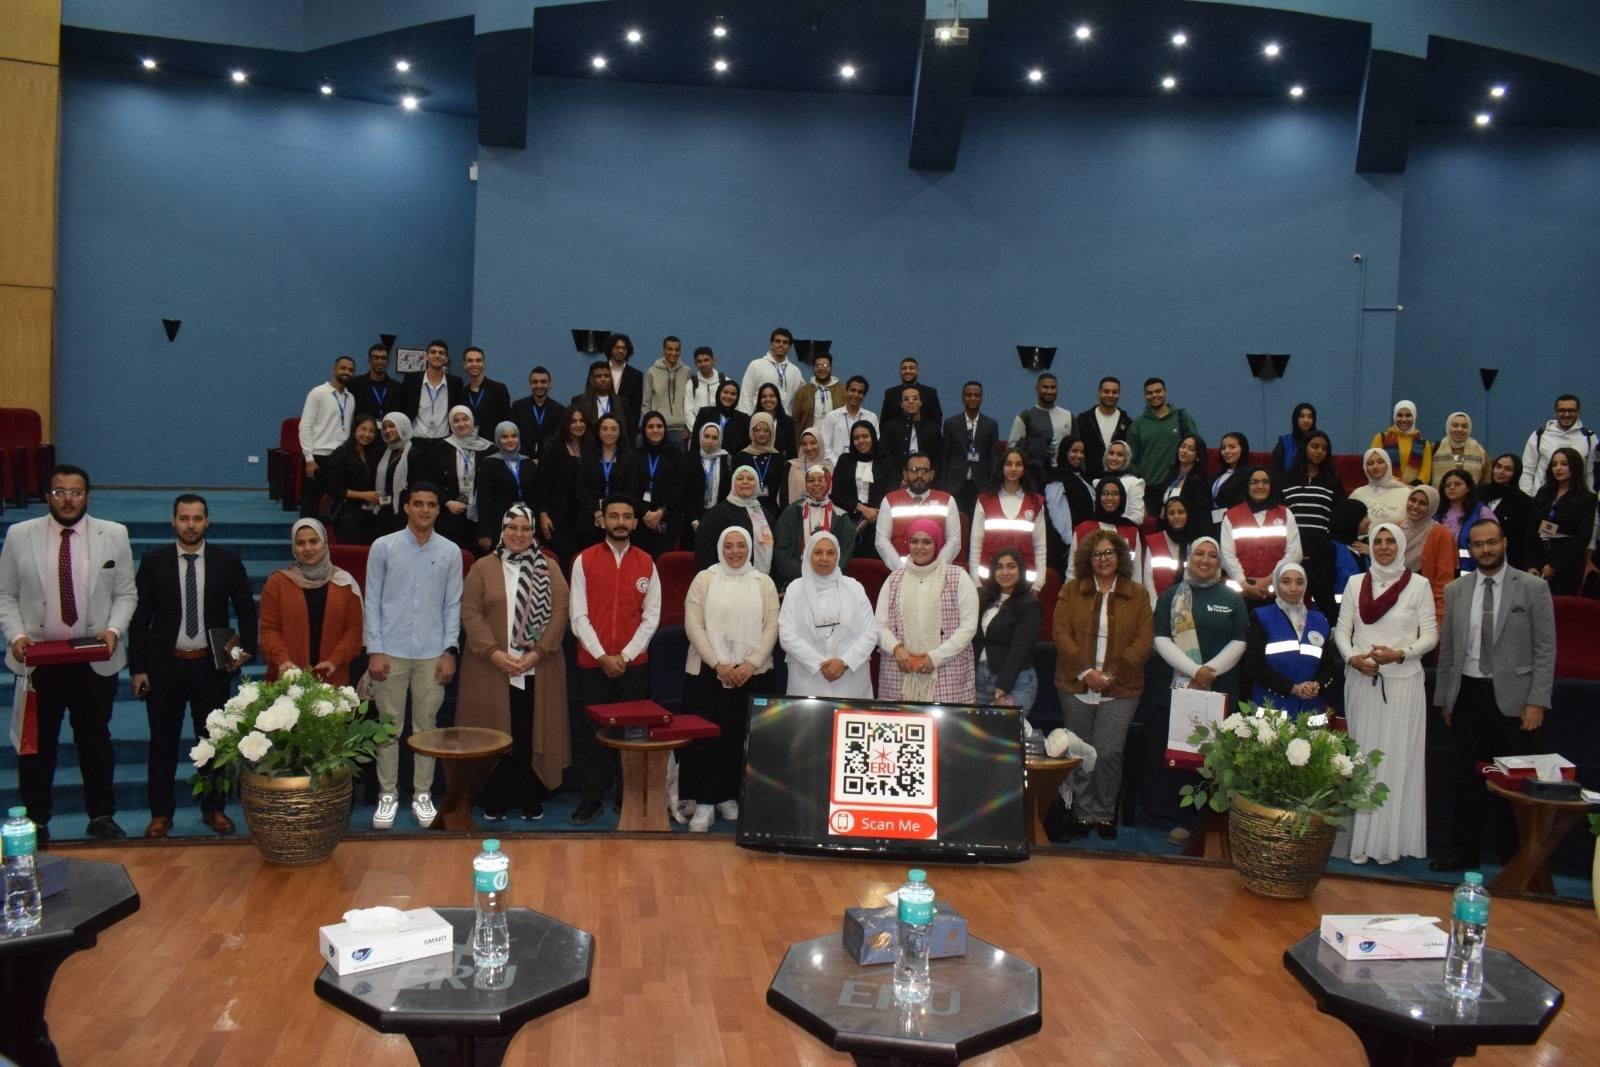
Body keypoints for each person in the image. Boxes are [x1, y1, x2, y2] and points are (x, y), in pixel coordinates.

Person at [0, 465, 137, 842]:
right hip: (37, 661)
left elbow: (126, 593)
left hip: (93, 660)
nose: (68, 499)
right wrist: (16, 635)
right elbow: (5, 594)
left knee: (95, 741)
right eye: (60, 492)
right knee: (35, 747)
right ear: (48, 496)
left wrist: (114, 630)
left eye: (75, 492)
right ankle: (36, 820)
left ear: (87, 496)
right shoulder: (20, 535)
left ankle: (102, 815)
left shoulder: (114, 534)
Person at [127, 493, 257, 838]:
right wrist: (138, 667)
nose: (190, 525)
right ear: (173, 521)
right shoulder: (154, 562)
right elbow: (139, 618)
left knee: (213, 742)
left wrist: (245, 650)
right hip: (164, 667)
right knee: (162, 744)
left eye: (197, 518)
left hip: (210, 667)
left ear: (207, 522)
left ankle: (214, 809)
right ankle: (160, 814)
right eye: (184, 518)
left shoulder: (226, 560)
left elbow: (245, 607)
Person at [1430, 518, 1556, 872]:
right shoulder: (1456, 590)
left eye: (1491, 542)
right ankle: (1464, 851)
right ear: (1470, 548)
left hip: (1515, 701)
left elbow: (1545, 649)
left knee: (1514, 784)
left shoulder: (1532, 588)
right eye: (1478, 544)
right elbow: (1448, 649)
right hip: (1467, 695)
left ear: (1504, 543)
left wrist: (1537, 701)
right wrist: (1445, 698)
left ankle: (1512, 855)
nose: (1485, 549)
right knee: (1466, 781)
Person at [458, 504, 569, 823]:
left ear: (533, 533)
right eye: (512, 528)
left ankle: (530, 797)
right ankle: (495, 797)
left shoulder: (549, 568)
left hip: (538, 666)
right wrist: (493, 653)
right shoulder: (482, 567)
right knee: (494, 731)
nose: (518, 534)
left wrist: (536, 653)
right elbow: (470, 612)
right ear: (502, 530)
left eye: (525, 529)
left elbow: (560, 613)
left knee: (528, 730)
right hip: (491, 667)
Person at [1334, 523, 1438, 865]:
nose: (1382, 547)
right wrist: (1352, 658)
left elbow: (1430, 636)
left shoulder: (1419, 585)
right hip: (1361, 680)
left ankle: (1389, 843)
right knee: (1362, 758)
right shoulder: (1355, 583)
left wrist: (1401, 654)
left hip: (1403, 683)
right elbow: (1342, 629)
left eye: (1390, 541)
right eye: (1377, 541)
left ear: (1401, 545)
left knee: (1394, 759)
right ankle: (1360, 840)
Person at [364, 482, 463, 831]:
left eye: (431, 504)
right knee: (388, 728)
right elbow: (372, 601)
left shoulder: (450, 551)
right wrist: (375, 648)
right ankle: (387, 795)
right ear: (406, 507)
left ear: (437, 510)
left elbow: (453, 605)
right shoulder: (384, 547)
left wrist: (449, 650)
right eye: (418, 504)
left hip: (431, 653)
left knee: (426, 729)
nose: (424, 510)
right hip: (389, 651)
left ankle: (423, 795)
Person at [1054, 529, 1154, 839]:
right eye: (1096, 554)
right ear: (1088, 559)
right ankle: (1083, 812)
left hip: (1121, 688)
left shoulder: (1138, 594)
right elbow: (1060, 633)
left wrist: (1111, 675)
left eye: (1109, 552)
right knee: (1081, 751)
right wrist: (1086, 672)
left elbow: (1143, 640)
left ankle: (1104, 812)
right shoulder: (1072, 590)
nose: (1103, 559)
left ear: (1120, 556)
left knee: (1109, 752)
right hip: (1075, 684)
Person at [568, 496, 661, 823]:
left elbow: (651, 617)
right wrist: (602, 656)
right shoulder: (583, 561)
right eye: (614, 516)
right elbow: (578, 616)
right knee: (592, 736)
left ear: (635, 522)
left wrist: (624, 656)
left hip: (633, 665)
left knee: (632, 734)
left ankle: (628, 797)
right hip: (593, 664)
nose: (620, 522)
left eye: (626, 516)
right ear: (602, 520)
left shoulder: (647, 562)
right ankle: (591, 800)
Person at [681, 527, 779, 831]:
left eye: (740, 546)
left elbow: (771, 626)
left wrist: (751, 663)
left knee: (740, 738)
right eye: (729, 546)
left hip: (753, 673)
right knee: (708, 740)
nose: (735, 551)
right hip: (709, 672)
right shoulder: (704, 579)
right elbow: (694, 625)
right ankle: (705, 803)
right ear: (720, 549)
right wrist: (718, 663)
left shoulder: (763, 582)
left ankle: (727, 797)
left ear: (749, 548)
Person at [875, 519, 978, 702]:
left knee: (944, 721)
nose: (919, 547)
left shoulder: (957, 577)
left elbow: (968, 627)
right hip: (900, 672)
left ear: (937, 544)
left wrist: (935, 657)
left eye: (927, 542)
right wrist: (896, 649)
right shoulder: (894, 579)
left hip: (947, 672)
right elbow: (879, 626)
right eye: (914, 541)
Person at [258, 518, 363, 687]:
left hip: (332, 676)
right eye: (300, 543)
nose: (307, 548)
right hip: (287, 678)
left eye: (314, 541)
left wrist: (335, 660)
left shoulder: (344, 583)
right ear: (294, 547)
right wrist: (282, 660)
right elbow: (269, 629)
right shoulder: (277, 583)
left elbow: (354, 630)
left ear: (325, 543)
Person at [1154, 535, 1248, 716]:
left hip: (1221, 686)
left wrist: (1206, 673)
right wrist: (1194, 671)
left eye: (1212, 556)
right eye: (1199, 553)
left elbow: (1239, 641)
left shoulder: (1233, 598)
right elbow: (1160, 639)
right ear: (1189, 557)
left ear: (1219, 562)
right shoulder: (1169, 596)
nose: (1205, 560)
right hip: (1177, 688)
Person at [779, 531, 878, 698]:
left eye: (830, 553)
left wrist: (844, 663)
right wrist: (820, 664)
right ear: (808, 555)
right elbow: (787, 636)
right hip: (808, 678)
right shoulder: (795, 589)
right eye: (818, 552)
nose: (824, 558)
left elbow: (870, 632)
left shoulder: (854, 587)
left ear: (838, 556)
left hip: (850, 678)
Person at [1241, 560, 1336, 717]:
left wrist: (1317, 684)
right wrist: (1293, 688)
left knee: (1315, 735)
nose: (1293, 588)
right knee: (1271, 735)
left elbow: (1328, 666)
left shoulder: (1320, 620)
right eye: (1286, 582)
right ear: (1277, 584)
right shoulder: (1261, 616)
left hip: (1312, 709)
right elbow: (1253, 665)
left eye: (1299, 582)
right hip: (1272, 707)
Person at [973, 548, 1044, 717]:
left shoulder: (1029, 604)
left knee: (1004, 732)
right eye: (999, 567)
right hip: (980, 678)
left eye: (1011, 566)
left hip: (1015, 681)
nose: (1005, 572)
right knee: (979, 731)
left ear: (1021, 570)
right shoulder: (984, 598)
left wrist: (1002, 688)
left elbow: (1020, 650)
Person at [1220, 467, 1302, 601]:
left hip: (1276, 591)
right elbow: (1226, 556)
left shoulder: (1285, 513)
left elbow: (1295, 553)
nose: (1260, 486)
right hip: (1240, 593)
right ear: (1246, 486)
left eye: (1265, 482)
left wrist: (1268, 580)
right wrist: (1244, 584)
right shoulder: (1231, 516)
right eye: (1254, 482)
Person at [970, 448, 1046, 591]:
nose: (1013, 469)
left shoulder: (1035, 503)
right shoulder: (985, 501)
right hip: (988, 582)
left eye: (1018, 464)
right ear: (1001, 467)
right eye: (1008, 464)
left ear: (1024, 469)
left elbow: (1040, 546)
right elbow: (976, 543)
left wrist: (1039, 583)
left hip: (1025, 584)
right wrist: (976, 581)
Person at [1526, 446, 1597, 594]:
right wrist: (1529, 563)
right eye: (1554, 464)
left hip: (1566, 564)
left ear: (1575, 466)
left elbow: (1582, 538)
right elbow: (1531, 527)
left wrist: (1555, 566)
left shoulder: (1586, 498)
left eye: (1564, 464)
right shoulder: (1544, 492)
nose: (1558, 468)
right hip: (1539, 556)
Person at [773, 464, 856, 591]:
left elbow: (845, 553)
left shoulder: (841, 517)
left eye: (821, 480)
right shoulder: (792, 512)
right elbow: (782, 550)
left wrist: (826, 574)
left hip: (831, 582)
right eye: (811, 480)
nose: (816, 484)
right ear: (806, 484)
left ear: (829, 482)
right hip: (797, 580)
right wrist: (803, 574)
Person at [423, 404, 492, 551]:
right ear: (450, 424)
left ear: (472, 420)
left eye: (465, 419)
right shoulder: (441, 447)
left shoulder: (488, 448)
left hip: (480, 517)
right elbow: (431, 482)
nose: (461, 424)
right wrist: (447, 502)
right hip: (449, 515)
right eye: (456, 420)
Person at [875, 453, 961, 569]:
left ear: (932, 475)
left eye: (925, 471)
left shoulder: (947, 500)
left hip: (937, 572)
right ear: (905, 474)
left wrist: (934, 569)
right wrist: (903, 570)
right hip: (900, 571)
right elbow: (882, 542)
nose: (919, 475)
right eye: (914, 470)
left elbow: (954, 541)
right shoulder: (890, 500)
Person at [297, 355, 357, 519]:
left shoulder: (351, 398)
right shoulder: (318, 393)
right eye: (343, 368)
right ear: (334, 369)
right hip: (319, 457)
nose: (347, 372)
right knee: (311, 504)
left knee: (334, 506)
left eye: (350, 370)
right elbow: (305, 426)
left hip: (341, 458)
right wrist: (309, 459)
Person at [695, 466, 776, 574]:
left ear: (756, 484)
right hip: (725, 577)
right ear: (733, 483)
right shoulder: (716, 514)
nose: (745, 482)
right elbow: (704, 551)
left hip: (761, 578)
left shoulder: (765, 515)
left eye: (750, 479)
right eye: (740, 478)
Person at [1126, 377, 1199, 496]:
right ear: (1145, 396)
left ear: (1165, 392)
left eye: (1158, 391)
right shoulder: (1137, 425)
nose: (1154, 395)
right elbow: (1131, 460)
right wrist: (1138, 485)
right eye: (1149, 393)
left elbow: (1196, 448)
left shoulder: (1182, 418)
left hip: (1178, 487)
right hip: (1148, 489)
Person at [575, 414, 637, 551]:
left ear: (620, 432)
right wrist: (596, 512)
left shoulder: (630, 457)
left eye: (614, 429)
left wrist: (614, 512)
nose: (609, 433)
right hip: (591, 517)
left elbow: (632, 488)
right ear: (598, 432)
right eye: (604, 429)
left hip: (619, 519)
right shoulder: (588, 455)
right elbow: (581, 487)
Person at [938, 381, 1000, 517]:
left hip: (981, 484)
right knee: (956, 521)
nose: (972, 398)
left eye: (976, 395)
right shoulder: (951, 423)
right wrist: (944, 484)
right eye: (969, 395)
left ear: (981, 398)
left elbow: (993, 457)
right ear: (963, 397)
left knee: (977, 521)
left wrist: (992, 484)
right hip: (955, 484)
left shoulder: (991, 425)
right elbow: (945, 456)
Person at [397, 340, 466, 463]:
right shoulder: (411, 380)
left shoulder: (455, 383)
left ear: (446, 359)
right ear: (426, 356)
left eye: (441, 353)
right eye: (433, 352)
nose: (437, 355)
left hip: (444, 442)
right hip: (415, 442)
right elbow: (402, 408)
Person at [629, 412, 687, 557]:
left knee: (662, 563)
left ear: (665, 429)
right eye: (650, 426)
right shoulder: (635, 456)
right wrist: (647, 515)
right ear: (644, 430)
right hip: (641, 521)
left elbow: (680, 489)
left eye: (659, 426)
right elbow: (630, 489)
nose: (655, 430)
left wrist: (661, 512)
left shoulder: (676, 455)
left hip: (667, 522)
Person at [537, 407, 590, 564]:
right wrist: (543, 514)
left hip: (585, 517)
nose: (578, 424)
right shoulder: (552, 446)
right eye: (573, 421)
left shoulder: (592, 446)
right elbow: (542, 482)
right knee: (564, 560)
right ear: (565, 423)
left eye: (581, 420)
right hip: (559, 517)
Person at [321, 413, 383, 546]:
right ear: (354, 429)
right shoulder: (342, 453)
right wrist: (363, 495)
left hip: (369, 513)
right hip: (347, 513)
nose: (367, 434)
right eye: (363, 429)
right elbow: (332, 488)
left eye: (372, 431)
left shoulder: (373, 453)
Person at [476, 422, 537, 554]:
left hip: (525, 522)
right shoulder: (489, 463)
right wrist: (484, 533)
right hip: (498, 523)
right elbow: (483, 500)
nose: (510, 440)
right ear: (498, 440)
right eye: (505, 437)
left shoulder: (528, 463)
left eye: (514, 436)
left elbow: (535, 496)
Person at [1280, 429, 1343, 557]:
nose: (1320, 451)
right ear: (1304, 448)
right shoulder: (1287, 478)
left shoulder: (1332, 480)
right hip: (1289, 548)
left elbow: (1337, 517)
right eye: (1315, 446)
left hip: (1321, 550)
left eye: (1324, 448)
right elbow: (1279, 514)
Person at [831, 420, 897, 542]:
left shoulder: (885, 461)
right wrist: (862, 508)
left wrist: (870, 516)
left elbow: (891, 493)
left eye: (865, 436)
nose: (861, 441)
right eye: (856, 438)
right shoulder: (845, 460)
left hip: (880, 519)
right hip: (848, 520)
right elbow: (836, 493)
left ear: (873, 437)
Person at [1401, 484, 1456, 626]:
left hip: (1424, 608)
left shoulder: (1440, 534)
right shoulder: (1396, 528)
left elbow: (1444, 579)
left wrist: (1439, 616)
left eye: (1423, 503)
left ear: (1432, 507)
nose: (1415, 506)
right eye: (1413, 500)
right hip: (1396, 604)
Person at [1067, 478, 1144, 579]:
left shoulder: (1132, 532)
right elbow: (1072, 572)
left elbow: (1136, 574)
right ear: (1098, 497)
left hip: (1123, 588)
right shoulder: (1083, 530)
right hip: (1089, 588)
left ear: (1122, 498)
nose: (1110, 498)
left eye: (1115, 494)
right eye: (1105, 493)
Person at [1519, 393, 1595, 495]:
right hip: (1541, 499)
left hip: (1577, 499)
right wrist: (1527, 496)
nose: (1566, 414)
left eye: (1571, 410)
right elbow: (1527, 470)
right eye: (1562, 410)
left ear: (1578, 413)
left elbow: (1591, 473)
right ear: (1555, 413)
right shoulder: (1539, 435)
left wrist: (1591, 499)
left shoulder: (1589, 437)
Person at [1306, 498, 1370, 616]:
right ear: (1353, 519)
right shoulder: (1326, 549)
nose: (1369, 521)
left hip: (1360, 619)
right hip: (1331, 619)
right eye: (1365, 517)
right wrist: (1335, 621)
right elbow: (1321, 591)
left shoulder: (1364, 549)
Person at [1044, 436, 1095, 574]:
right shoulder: (1057, 479)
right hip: (1068, 547)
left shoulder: (1082, 476)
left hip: (1086, 541)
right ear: (1064, 451)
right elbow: (1057, 516)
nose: (1079, 455)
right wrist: (1072, 542)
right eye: (1074, 451)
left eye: (1082, 452)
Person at [1008, 372, 1074, 472]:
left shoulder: (1069, 416)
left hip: (1064, 473)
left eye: (1053, 387)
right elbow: (1012, 450)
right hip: (1034, 474)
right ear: (1037, 389)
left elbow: (1078, 448)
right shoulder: (1025, 416)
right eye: (1045, 387)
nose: (1049, 391)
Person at [1477, 453, 1533, 571]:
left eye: (1508, 469)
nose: (1501, 472)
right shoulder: (1478, 493)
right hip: (1476, 556)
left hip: (1509, 560)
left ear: (1516, 473)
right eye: (1498, 466)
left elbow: (1526, 537)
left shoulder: (1524, 502)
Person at [1142, 497, 1202, 605]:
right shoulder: (1154, 541)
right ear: (1166, 516)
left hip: (1193, 603)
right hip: (1161, 602)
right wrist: (1155, 606)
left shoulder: (1198, 542)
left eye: (1181, 512)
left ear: (1188, 514)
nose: (1176, 516)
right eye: (1171, 513)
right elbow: (1148, 577)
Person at [508, 365, 566, 468]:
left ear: (549, 384)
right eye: (535, 382)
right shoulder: (518, 407)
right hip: (522, 461)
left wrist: (545, 459)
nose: (539, 385)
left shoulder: (559, 409)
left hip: (550, 463)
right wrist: (526, 458)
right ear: (530, 384)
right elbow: (513, 435)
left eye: (543, 382)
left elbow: (559, 439)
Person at [685, 422, 733, 543]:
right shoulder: (690, 459)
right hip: (693, 518)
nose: (710, 441)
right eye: (706, 436)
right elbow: (685, 492)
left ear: (720, 439)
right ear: (700, 437)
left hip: (718, 516)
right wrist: (693, 520)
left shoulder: (726, 460)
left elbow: (728, 491)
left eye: (714, 438)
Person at [736, 411, 788, 520]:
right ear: (752, 431)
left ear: (772, 432)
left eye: (766, 430)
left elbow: (782, 491)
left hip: (774, 513)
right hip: (745, 511)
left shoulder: (780, 459)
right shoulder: (741, 457)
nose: (761, 434)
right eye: (757, 429)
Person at [1077, 376, 1131, 478]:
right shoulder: (1084, 421)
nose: (1110, 395)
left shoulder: (1127, 423)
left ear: (1119, 394)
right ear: (1099, 393)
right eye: (1106, 391)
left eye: (1114, 392)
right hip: (1089, 479)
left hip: (1118, 482)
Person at [1158, 433, 1212, 537]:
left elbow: (1202, 515)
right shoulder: (1171, 474)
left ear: (1198, 456)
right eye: (1182, 446)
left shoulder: (1199, 482)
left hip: (1188, 534)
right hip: (1165, 530)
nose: (1184, 451)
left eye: (1191, 449)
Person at [371, 412, 416, 537]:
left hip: (404, 513)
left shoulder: (414, 454)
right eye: (385, 427)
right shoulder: (383, 452)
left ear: (403, 426)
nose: (387, 430)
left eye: (392, 426)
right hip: (383, 510)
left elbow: (414, 488)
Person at [641, 336, 691, 447]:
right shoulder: (652, 372)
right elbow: (646, 403)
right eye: (670, 349)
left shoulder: (686, 371)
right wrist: (648, 426)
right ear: (663, 350)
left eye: (677, 350)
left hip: (681, 430)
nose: (673, 353)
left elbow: (689, 401)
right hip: (658, 429)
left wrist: (688, 426)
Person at [738, 327, 800, 416]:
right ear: (772, 344)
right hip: (758, 419)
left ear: (789, 347)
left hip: (783, 420)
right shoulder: (756, 365)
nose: (781, 344)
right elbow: (746, 394)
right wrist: (746, 418)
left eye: (785, 342)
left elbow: (797, 400)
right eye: (778, 341)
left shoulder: (795, 371)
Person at [1371, 399, 1433, 485]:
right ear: (1394, 416)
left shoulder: (1423, 444)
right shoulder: (1381, 438)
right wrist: (1396, 484)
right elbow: (1374, 466)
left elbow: (1425, 474)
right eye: (1400, 415)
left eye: (1408, 415)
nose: (1404, 419)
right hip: (1385, 487)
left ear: (1414, 417)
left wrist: (1410, 488)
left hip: (1413, 490)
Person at [881, 386, 942, 471]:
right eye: (906, 399)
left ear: (920, 402)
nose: (911, 401)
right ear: (901, 404)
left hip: (927, 476)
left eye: (915, 398)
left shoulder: (932, 428)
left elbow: (939, 457)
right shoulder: (890, 428)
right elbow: (883, 457)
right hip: (897, 476)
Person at [818, 374, 878, 463]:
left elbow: (875, 444)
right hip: (835, 466)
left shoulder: (871, 418)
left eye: (860, 392)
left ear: (864, 396)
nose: (855, 394)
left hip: (864, 466)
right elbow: (824, 445)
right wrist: (839, 464)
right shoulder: (831, 417)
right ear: (846, 392)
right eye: (852, 390)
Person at [1350, 447, 1411, 527]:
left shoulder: (1406, 493)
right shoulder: (1358, 493)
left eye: (1380, 462)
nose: (1375, 466)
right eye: (1370, 463)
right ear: (1365, 468)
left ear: (1388, 464)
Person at [461, 346, 512, 439]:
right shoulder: (461, 393)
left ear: (484, 364)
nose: (474, 364)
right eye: (470, 361)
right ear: (464, 365)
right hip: (467, 443)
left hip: (492, 444)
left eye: (478, 360)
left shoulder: (499, 389)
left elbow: (506, 422)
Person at [571, 360, 633, 436]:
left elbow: (630, 429)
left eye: (606, 376)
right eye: (599, 376)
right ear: (591, 380)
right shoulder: (578, 401)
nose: (603, 379)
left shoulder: (622, 402)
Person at [791, 352, 845, 438]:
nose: (822, 368)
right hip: (810, 441)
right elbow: (795, 422)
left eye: (825, 365)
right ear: (813, 369)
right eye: (818, 365)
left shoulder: (843, 391)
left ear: (831, 369)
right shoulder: (802, 393)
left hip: (837, 440)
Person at [691, 379, 751, 455]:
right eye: (725, 392)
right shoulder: (705, 413)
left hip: (731, 461)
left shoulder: (744, 419)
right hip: (703, 459)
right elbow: (695, 442)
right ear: (719, 393)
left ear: (737, 397)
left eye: (733, 394)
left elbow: (744, 448)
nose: (728, 396)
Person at [1432, 411, 1490, 488]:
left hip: (1472, 495)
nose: (1459, 430)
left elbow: (1486, 480)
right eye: (1455, 425)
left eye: (1464, 426)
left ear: (1469, 429)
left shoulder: (1480, 451)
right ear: (1448, 427)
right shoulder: (1435, 448)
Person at [879, 357, 942, 426]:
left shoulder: (930, 393)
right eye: (904, 368)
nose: (907, 371)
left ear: (917, 371)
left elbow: (936, 422)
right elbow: (884, 423)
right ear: (900, 371)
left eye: (911, 368)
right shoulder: (890, 394)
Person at [602, 332, 645, 431]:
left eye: (624, 348)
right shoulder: (599, 370)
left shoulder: (636, 375)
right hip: (600, 424)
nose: (621, 351)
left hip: (625, 426)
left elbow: (636, 407)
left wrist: (632, 430)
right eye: (617, 347)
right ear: (610, 349)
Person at [682, 345, 730, 428]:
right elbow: (688, 412)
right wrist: (698, 431)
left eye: (706, 360)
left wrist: (724, 429)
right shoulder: (692, 383)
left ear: (713, 361)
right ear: (695, 363)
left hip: (723, 429)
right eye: (699, 361)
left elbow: (733, 408)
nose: (703, 364)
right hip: (698, 430)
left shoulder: (725, 381)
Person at [352, 342, 402, 420]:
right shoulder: (355, 383)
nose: (380, 361)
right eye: (376, 358)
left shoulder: (397, 387)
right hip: (364, 427)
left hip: (387, 427)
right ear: (369, 360)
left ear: (388, 361)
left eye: (383, 358)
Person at [1101, 439, 1146, 526]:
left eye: (1120, 455)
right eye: (1111, 453)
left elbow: (1138, 517)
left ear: (1126, 459)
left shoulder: (1133, 483)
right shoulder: (1097, 482)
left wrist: (1111, 524)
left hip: (1124, 530)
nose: (1114, 458)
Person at [1209, 432, 1251, 523]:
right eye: (1223, 448)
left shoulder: (1249, 475)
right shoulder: (1216, 476)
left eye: (1232, 447)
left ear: (1243, 449)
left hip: (1235, 522)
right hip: (1214, 522)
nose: (1227, 451)